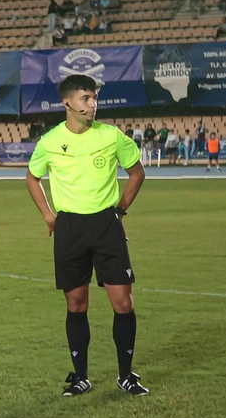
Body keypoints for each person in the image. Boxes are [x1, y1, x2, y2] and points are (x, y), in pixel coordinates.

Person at [24, 75, 149, 397]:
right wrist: (49, 216)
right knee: (76, 303)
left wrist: (120, 210)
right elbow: (32, 177)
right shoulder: (50, 142)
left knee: (123, 302)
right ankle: (80, 376)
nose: (92, 104)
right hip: (69, 229)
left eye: (94, 98)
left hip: (107, 226)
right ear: (67, 103)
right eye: (85, 99)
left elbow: (137, 173)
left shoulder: (112, 136)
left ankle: (126, 375)